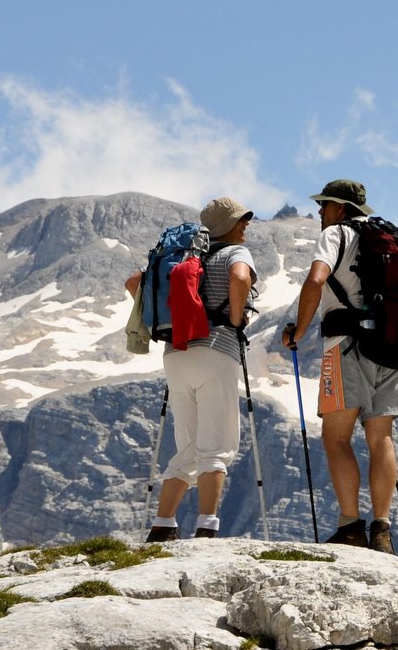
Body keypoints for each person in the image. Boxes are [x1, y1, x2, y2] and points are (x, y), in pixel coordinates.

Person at [281, 179, 398, 552]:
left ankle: (351, 525)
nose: (320, 212)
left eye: (324, 205)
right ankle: (382, 530)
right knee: (380, 437)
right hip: (390, 349)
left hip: (344, 347)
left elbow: (316, 280)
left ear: (339, 208)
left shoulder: (335, 234)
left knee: (336, 437)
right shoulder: (389, 238)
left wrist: (300, 330)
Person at [125, 197, 258, 541]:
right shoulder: (234, 253)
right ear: (225, 226)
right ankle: (207, 526)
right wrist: (234, 317)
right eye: (240, 220)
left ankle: (163, 525)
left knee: (187, 447)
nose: (245, 224)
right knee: (216, 447)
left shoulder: (182, 257)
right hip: (217, 351)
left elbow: (133, 282)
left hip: (176, 354)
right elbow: (240, 278)